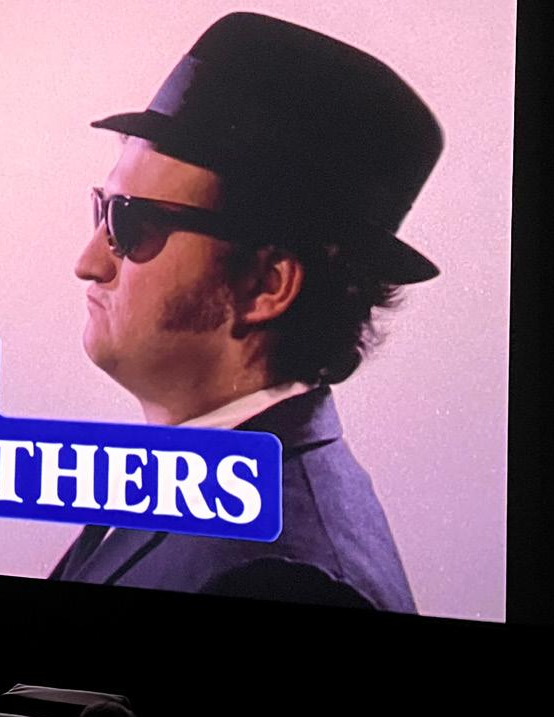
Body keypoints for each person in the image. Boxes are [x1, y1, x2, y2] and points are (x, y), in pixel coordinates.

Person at [50, 12, 443, 612]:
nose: (88, 263)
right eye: (102, 210)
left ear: (266, 285)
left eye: (132, 223)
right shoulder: (196, 474)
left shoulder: (279, 579)